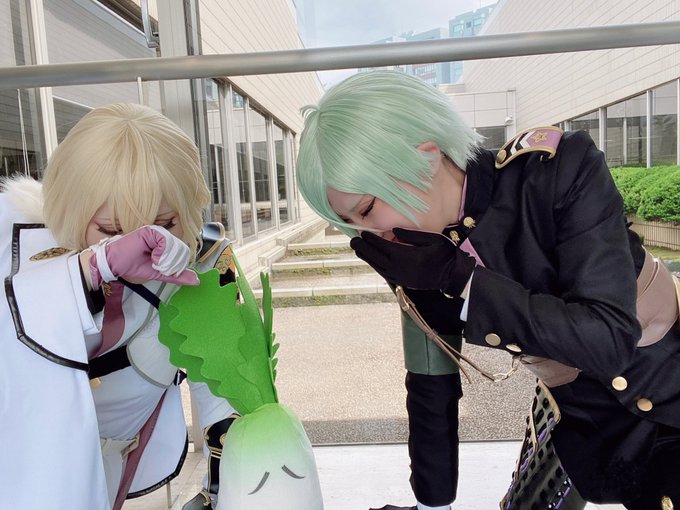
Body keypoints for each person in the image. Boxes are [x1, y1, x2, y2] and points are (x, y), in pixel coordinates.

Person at [295, 70, 680, 510]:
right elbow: (431, 384)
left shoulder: (554, 171)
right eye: (348, 222)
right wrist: (433, 504)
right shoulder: (414, 251)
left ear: (425, 160)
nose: (368, 234)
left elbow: (608, 340)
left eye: (365, 209)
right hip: (600, 435)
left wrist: (462, 280)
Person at [0, 103, 237, 510]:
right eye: (111, 229)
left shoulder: (205, 262)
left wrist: (227, 488)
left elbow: (226, 389)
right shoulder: (11, 242)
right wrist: (89, 270)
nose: (142, 244)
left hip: (116, 467)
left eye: (165, 223)